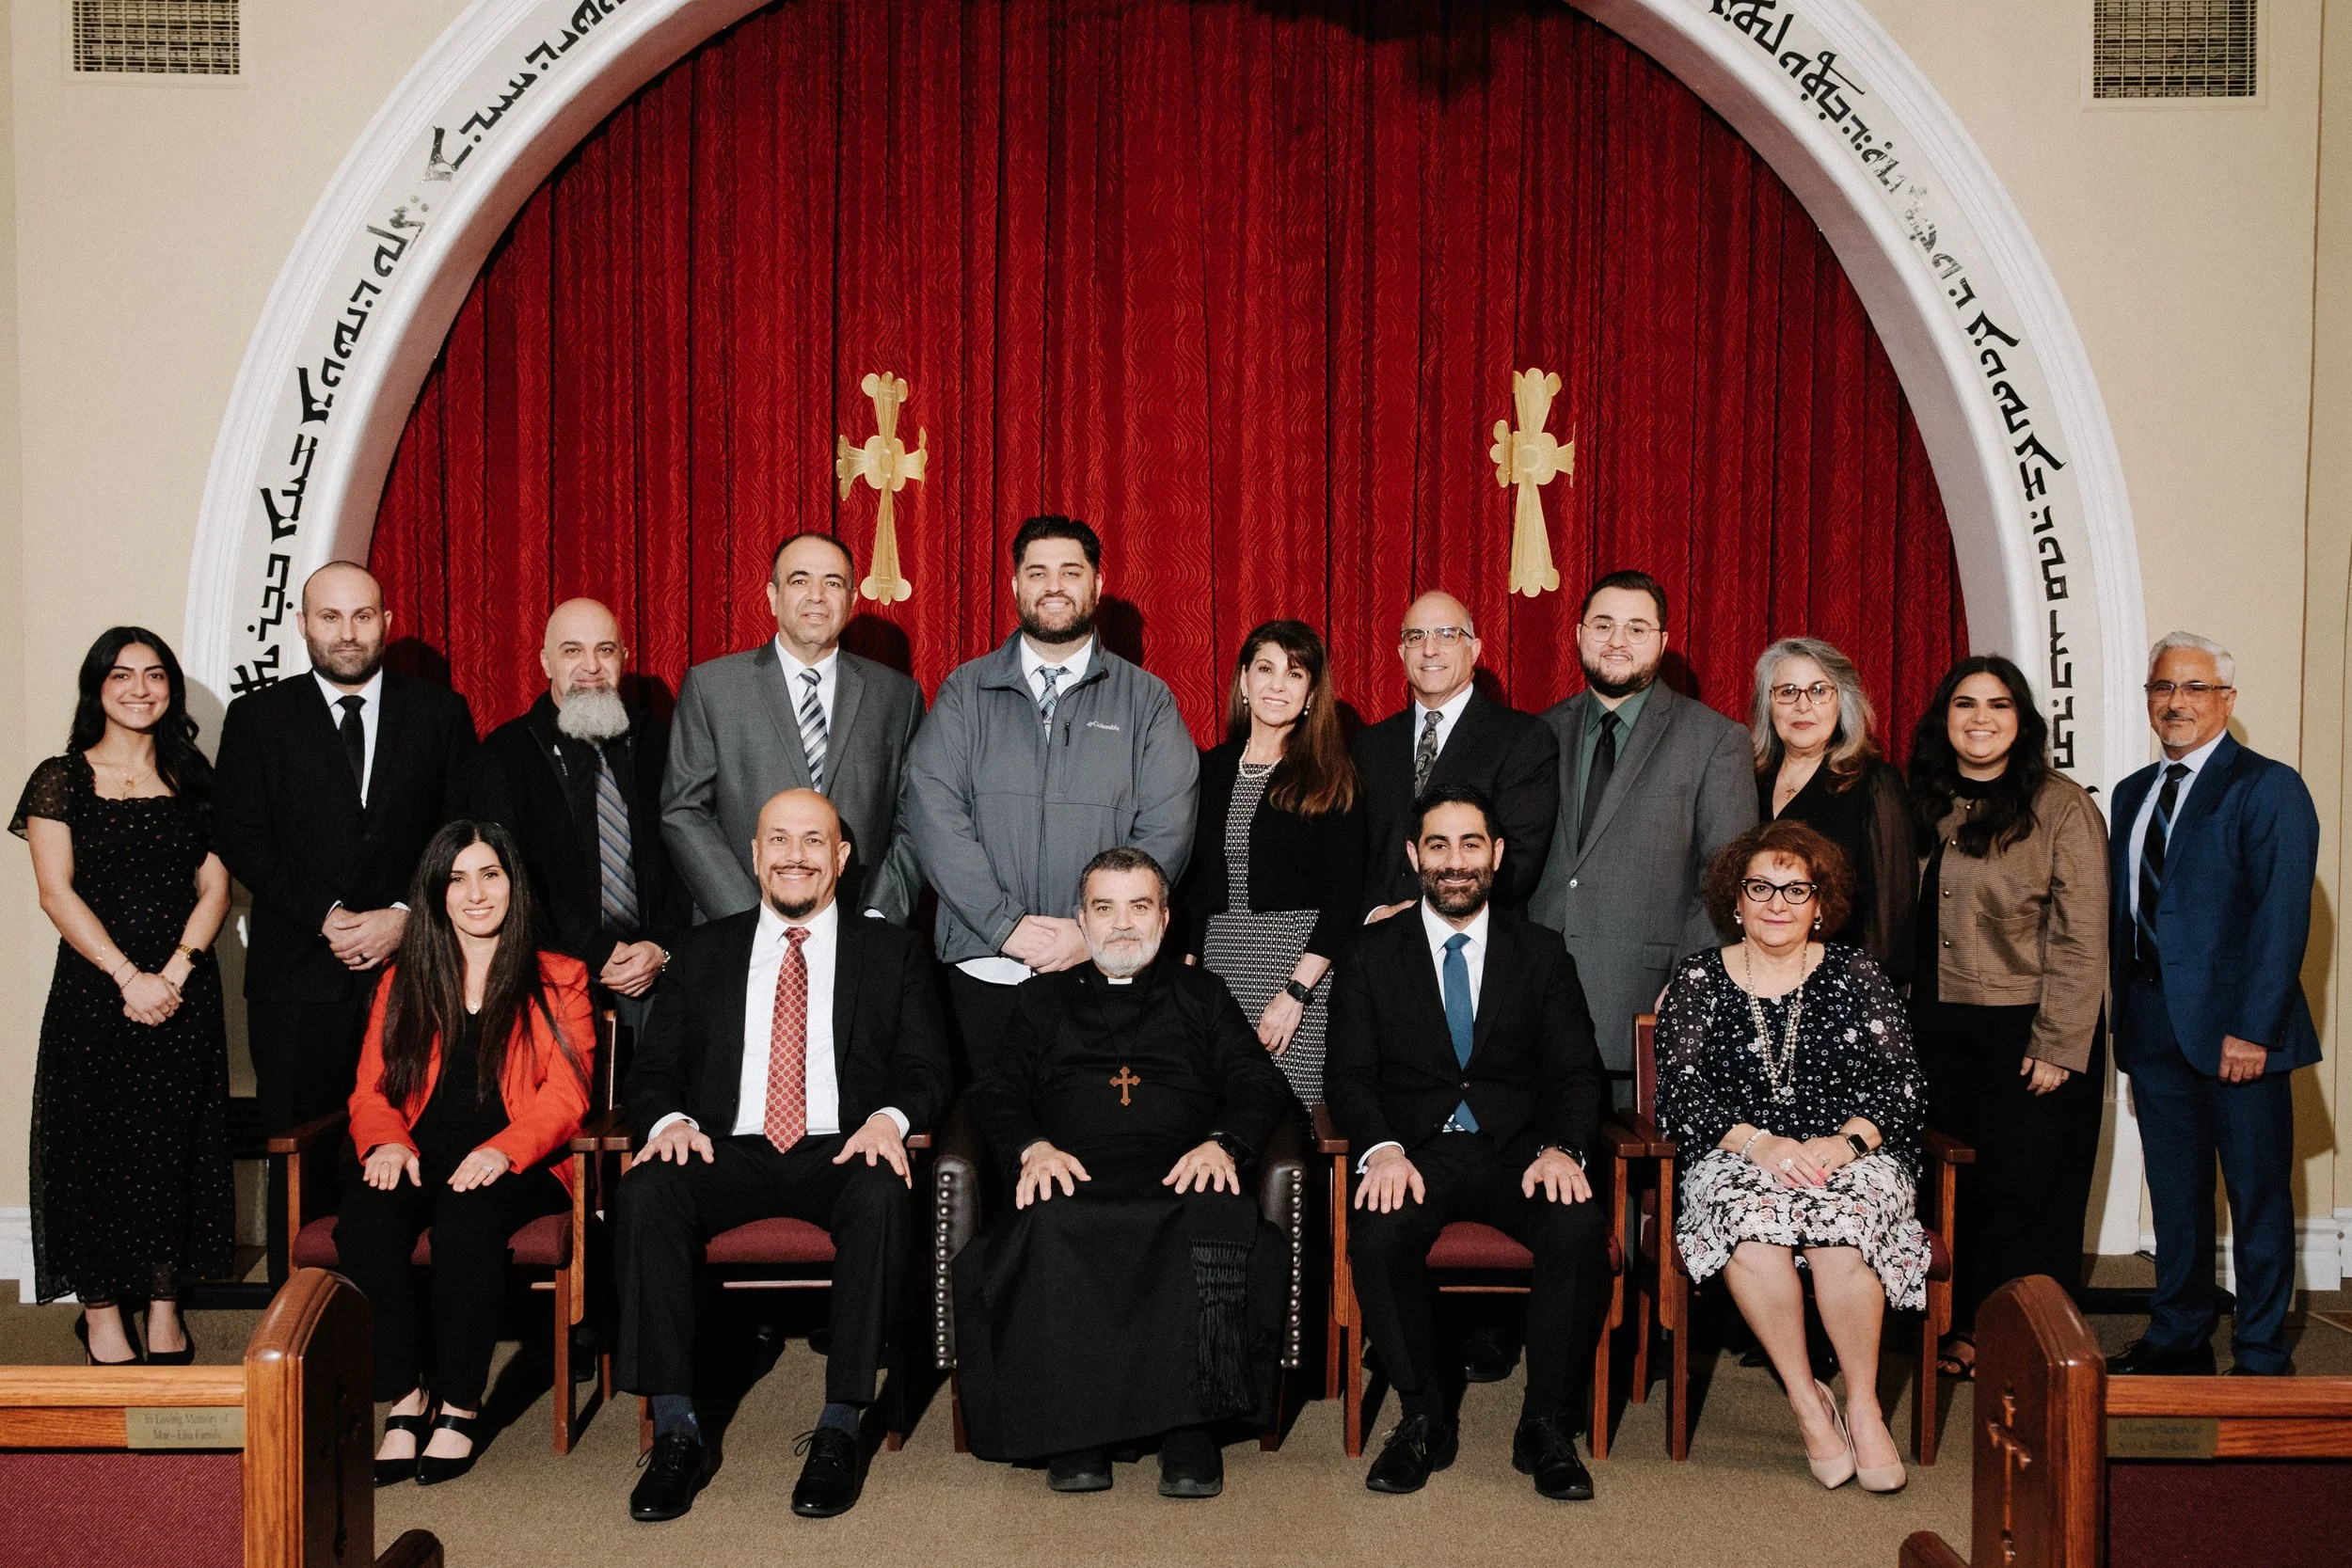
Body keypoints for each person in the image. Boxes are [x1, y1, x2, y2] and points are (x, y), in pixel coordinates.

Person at [616, 789, 952, 1522]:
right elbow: (652, 1070)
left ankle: (837, 1427)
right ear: (755, 854)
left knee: (880, 1191)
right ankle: (675, 1430)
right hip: (724, 1145)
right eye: (778, 840)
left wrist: (890, 1120)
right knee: (648, 1191)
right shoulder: (704, 949)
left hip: (839, 1144)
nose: (794, 855)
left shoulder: (890, 949)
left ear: (839, 857)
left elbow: (928, 1067)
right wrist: (668, 1120)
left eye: (812, 841)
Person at [954, 847, 1300, 1497]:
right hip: (1072, 1168)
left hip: (1179, 1167)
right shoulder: (1040, 999)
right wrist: (1032, 1148)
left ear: (1164, 919)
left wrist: (1223, 1144)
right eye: (1104, 908)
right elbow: (996, 1090)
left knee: (1208, 1212)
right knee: (1049, 1219)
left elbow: (1257, 1081)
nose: (1122, 925)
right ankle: (1073, 1431)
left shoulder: (1202, 993)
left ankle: (1191, 1428)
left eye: (1139, 907)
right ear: (1081, 920)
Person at [1327, 785, 1609, 1502]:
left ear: (1498, 854)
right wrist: (1381, 1148)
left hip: (1519, 1150)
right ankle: (1422, 1417)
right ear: (1414, 855)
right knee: (1379, 1231)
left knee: (1575, 1225)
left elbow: (1577, 1073)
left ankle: (1545, 1422)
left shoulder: (1541, 953)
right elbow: (1349, 1076)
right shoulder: (1369, 954)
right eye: (1440, 845)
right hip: (1417, 1151)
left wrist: (1564, 1148)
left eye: (1471, 844)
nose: (1456, 862)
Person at [214, 562, 476, 1278]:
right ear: (302, 624)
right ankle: (298, 1323)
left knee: (413, 1140)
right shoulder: (259, 718)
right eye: (329, 617)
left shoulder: (439, 713)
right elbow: (243, 836)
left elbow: (461, 830)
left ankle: (405, 1325)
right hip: (296, 978)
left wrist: (404, 916)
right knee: (298, 1152)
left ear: (387, 622)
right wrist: (327, 916)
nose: (347, 632)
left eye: (362, 616)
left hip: (413, 971)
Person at [1653, 820, 1931, 1495]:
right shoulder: (1698, 977)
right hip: (1738, 1152)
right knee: (1748, 1223)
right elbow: (1680, 1091)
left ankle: (1862, 1403)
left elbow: (1905, 1082)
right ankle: (1809, 1402)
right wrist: (1761, 1144)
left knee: (1843, 1229)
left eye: (1795, 889)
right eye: (1761, 887)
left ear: (1819, 902)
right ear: (1736, 899)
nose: (1777, 903)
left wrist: (1844, 1144)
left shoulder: (1856, 971)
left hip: (1849, 1153)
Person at [335, 820, 592, 1487]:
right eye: (457, 878)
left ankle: (458, 1402)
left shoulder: (560, 978)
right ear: (436, 892)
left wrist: (505, 1150)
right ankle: (404, 1397)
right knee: (362, 1225)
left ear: (513, 883)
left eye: (490, 874)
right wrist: (386, 1137)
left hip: (519, 1154)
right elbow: (370, 1087)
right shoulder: (404, 978)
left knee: (465, 1226)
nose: (475, 893)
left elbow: (567, 1096)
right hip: (419, 1144)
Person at [903, 515, 1199, 1076]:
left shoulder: (1147, 701)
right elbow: (933, 813)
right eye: (1037, 572)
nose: (1054, 585)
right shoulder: (966, 692)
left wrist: (1092, 930)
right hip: (984, 966)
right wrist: (1005, 927)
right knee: (991, 1143)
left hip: (1104, 966)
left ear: (1096, 583)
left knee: (1096, 1142)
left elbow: (1168, 827)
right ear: (1015, 586)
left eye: (1070, 571)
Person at [13, 628, 234, 1366]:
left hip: (182, 994)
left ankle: (166, 1309)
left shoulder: (194, 776)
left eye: (155, 674)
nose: (140, 688)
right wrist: (127, 976)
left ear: (170, 687)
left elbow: (216, 886)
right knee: (95, 1154)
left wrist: (173, 973)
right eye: (122, 675)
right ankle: (102, 1312)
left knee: (175, 1150)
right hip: (95, 997)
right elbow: (55, 891)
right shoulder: (60, 777)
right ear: (97, 687)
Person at [2106, 633, 2321, 1379]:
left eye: (2194, 689)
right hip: (2154, 1027)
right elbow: (2126, 923)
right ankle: (2179, 1337)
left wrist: (2254, 1030)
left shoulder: (2268, 787)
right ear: (2148, 698)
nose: (2177, 702)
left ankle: (2261, 1350)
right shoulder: (2133, 793)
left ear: (2225, 700)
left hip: (2240, 1034)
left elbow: (2281, 918)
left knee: (2257, 1196)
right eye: (2164, 687)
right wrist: (2126, 1040)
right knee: (2176, 1196)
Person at [1907, 655, 2107, 1380]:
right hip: (1937, 1027)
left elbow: (2084, 933)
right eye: (1965, 704)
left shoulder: (2060, 806)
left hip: (2028, 1029)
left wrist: (2059, 1042)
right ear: (1944, 719)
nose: (1980, 718)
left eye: (1998, 705)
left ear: (2021, 721)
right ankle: (1952, 1319)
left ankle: (2019, 1336)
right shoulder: (1923, 799)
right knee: (1956, 1184)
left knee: (2027, 1190)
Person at [1528, 570, 1755, 1077]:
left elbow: (1725, 880)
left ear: (1663, 641)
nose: (1617, 642)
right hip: (1534, 1009)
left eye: (1636, 628)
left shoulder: (1715, 740)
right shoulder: (1539, 732)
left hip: (1645, 1003)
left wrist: (1691, 983)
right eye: (1603, 625)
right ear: (1579, 634)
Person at [661, 532, 926, 924]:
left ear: (852, 599)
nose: (817, 595)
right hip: (740, 930)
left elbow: (916, 816)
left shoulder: (897, 696)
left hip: (859, 928)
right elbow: (684, 811)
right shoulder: (712, 687)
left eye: (833, 582)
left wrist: (879, 913)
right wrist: (745, 915)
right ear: (773, 596)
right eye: (800, 580)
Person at [477, 598, 691, 1032]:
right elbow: (504, 874)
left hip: (659, 981)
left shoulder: (660, 743)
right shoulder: (505, 754)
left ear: (625, 658)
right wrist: (594, 949)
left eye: (605, 650)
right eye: (573, 651)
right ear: (546, 662)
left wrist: (660, 946)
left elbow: (689, 858)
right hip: (552, 983)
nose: (591, 666)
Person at [1174, 620, 1365, 1103]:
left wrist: (1297, 993)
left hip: (1298, 969)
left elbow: (1344, 897)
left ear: (1311, 693)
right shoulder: (1209, 769)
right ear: (1243, 681)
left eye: (1295, 673)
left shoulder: (1331, 775)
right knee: (1219, 1105)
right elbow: (1195, 884)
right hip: (1219, 966)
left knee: (1290, 1112)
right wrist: (1190, 969)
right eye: (1265, 668)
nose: (1277, 685)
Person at [1352, 592, 1556, 919]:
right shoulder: (1370, 744)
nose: (1429, 649)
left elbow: (1518, 862)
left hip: (1474, 943)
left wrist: (1428, 920)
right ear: (1402, 653)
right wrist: (1376, 912)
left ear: (1473, 649)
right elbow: (1351, 852)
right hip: (1378, 943)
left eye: (1446, 634)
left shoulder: (1522, 739)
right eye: (1416, 637)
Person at [1751, 637, 1915, 980]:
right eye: (1788, 691)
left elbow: (1890, 912)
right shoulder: (1748, 778)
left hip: (1840, 985)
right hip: (1754, 976)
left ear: (1843, 702)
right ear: (1769, 704)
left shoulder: (1874, 782)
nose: (1802, 706)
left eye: (1819, 691)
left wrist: (1870, 995)